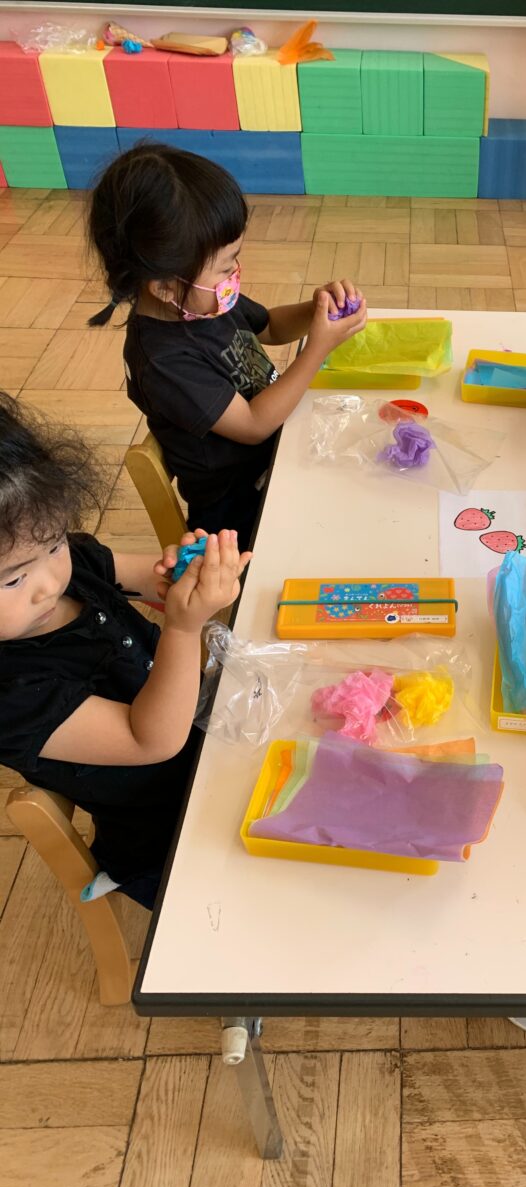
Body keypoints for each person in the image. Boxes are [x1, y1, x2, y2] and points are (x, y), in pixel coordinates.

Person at [0, 394, 251, 908]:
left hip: (213, 748)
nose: (49, 583)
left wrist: (189, 570)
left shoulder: (70, 569)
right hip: (169, 835)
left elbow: (147, 578)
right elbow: (150, 741)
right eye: (13, 578)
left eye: (52, 546)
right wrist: (183, 629)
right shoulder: (11, 696)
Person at [87, 143, 367, 547]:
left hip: (278, 454)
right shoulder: (164, 361)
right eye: (223, 266)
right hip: (238, 509)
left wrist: (315, 308)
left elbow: (269, 325)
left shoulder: (203, 303)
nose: (234, 272)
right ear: (165, 286)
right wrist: (316, 350)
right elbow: (253, 425)